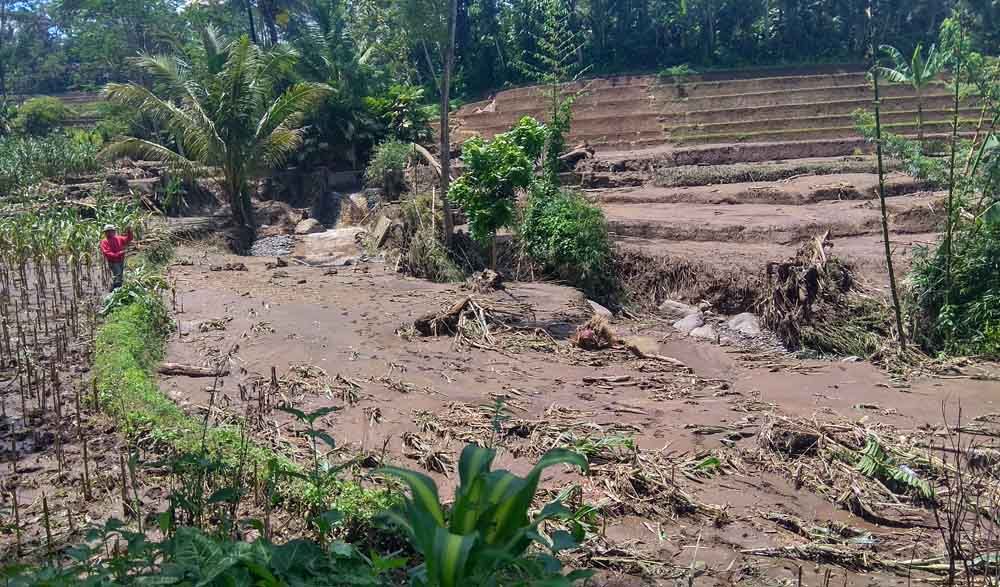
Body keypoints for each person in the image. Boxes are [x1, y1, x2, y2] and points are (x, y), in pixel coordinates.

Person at [99, 224, 133, 291]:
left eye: (111, 231)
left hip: (121, 260)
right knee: (118, 275)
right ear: (105, 233)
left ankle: (116, 290)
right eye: (107, 231)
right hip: (113, 261)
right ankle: (115, 290)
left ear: (113, 231)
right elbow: (107, 252)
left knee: (120, 275)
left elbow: (128, 239)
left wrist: (129, 231)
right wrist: (118, 254)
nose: (109, 233)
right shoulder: (104, 242)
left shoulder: (118, 238)